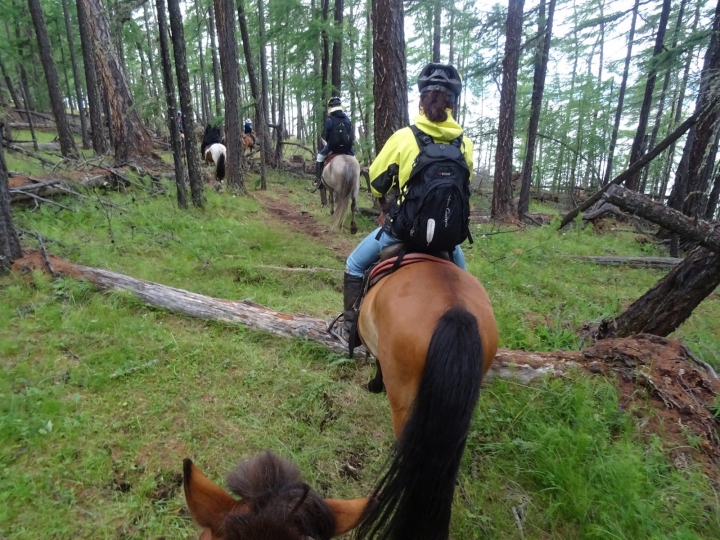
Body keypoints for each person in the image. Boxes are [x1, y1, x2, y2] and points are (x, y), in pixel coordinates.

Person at [338, 63, 474, 342]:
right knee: (466, 288)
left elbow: (377, 180)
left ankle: (350, 330)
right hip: (447, 240)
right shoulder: (465, 144)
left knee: (354, 264)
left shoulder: (404, 137)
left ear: (422, 101)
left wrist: (385, 205)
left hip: (402, 231)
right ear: (452, 104)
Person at [315, 97, 355, 187]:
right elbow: (351, 134)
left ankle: (317, 179)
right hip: (347, 149)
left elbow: (326, 134)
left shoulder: (329, 119)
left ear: (330, 106)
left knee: (319, 158)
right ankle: (357, 181)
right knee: (355, 162)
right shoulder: (347, 119)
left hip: (332, 147)